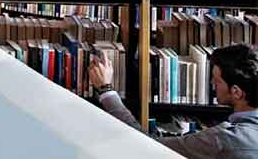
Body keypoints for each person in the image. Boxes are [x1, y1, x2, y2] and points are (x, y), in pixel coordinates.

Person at [90, 43, 258, 158]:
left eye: (217, 80)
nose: (212, 83)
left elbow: (148, 146)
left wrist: (106, 90)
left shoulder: (224, 139)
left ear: (236, 92)